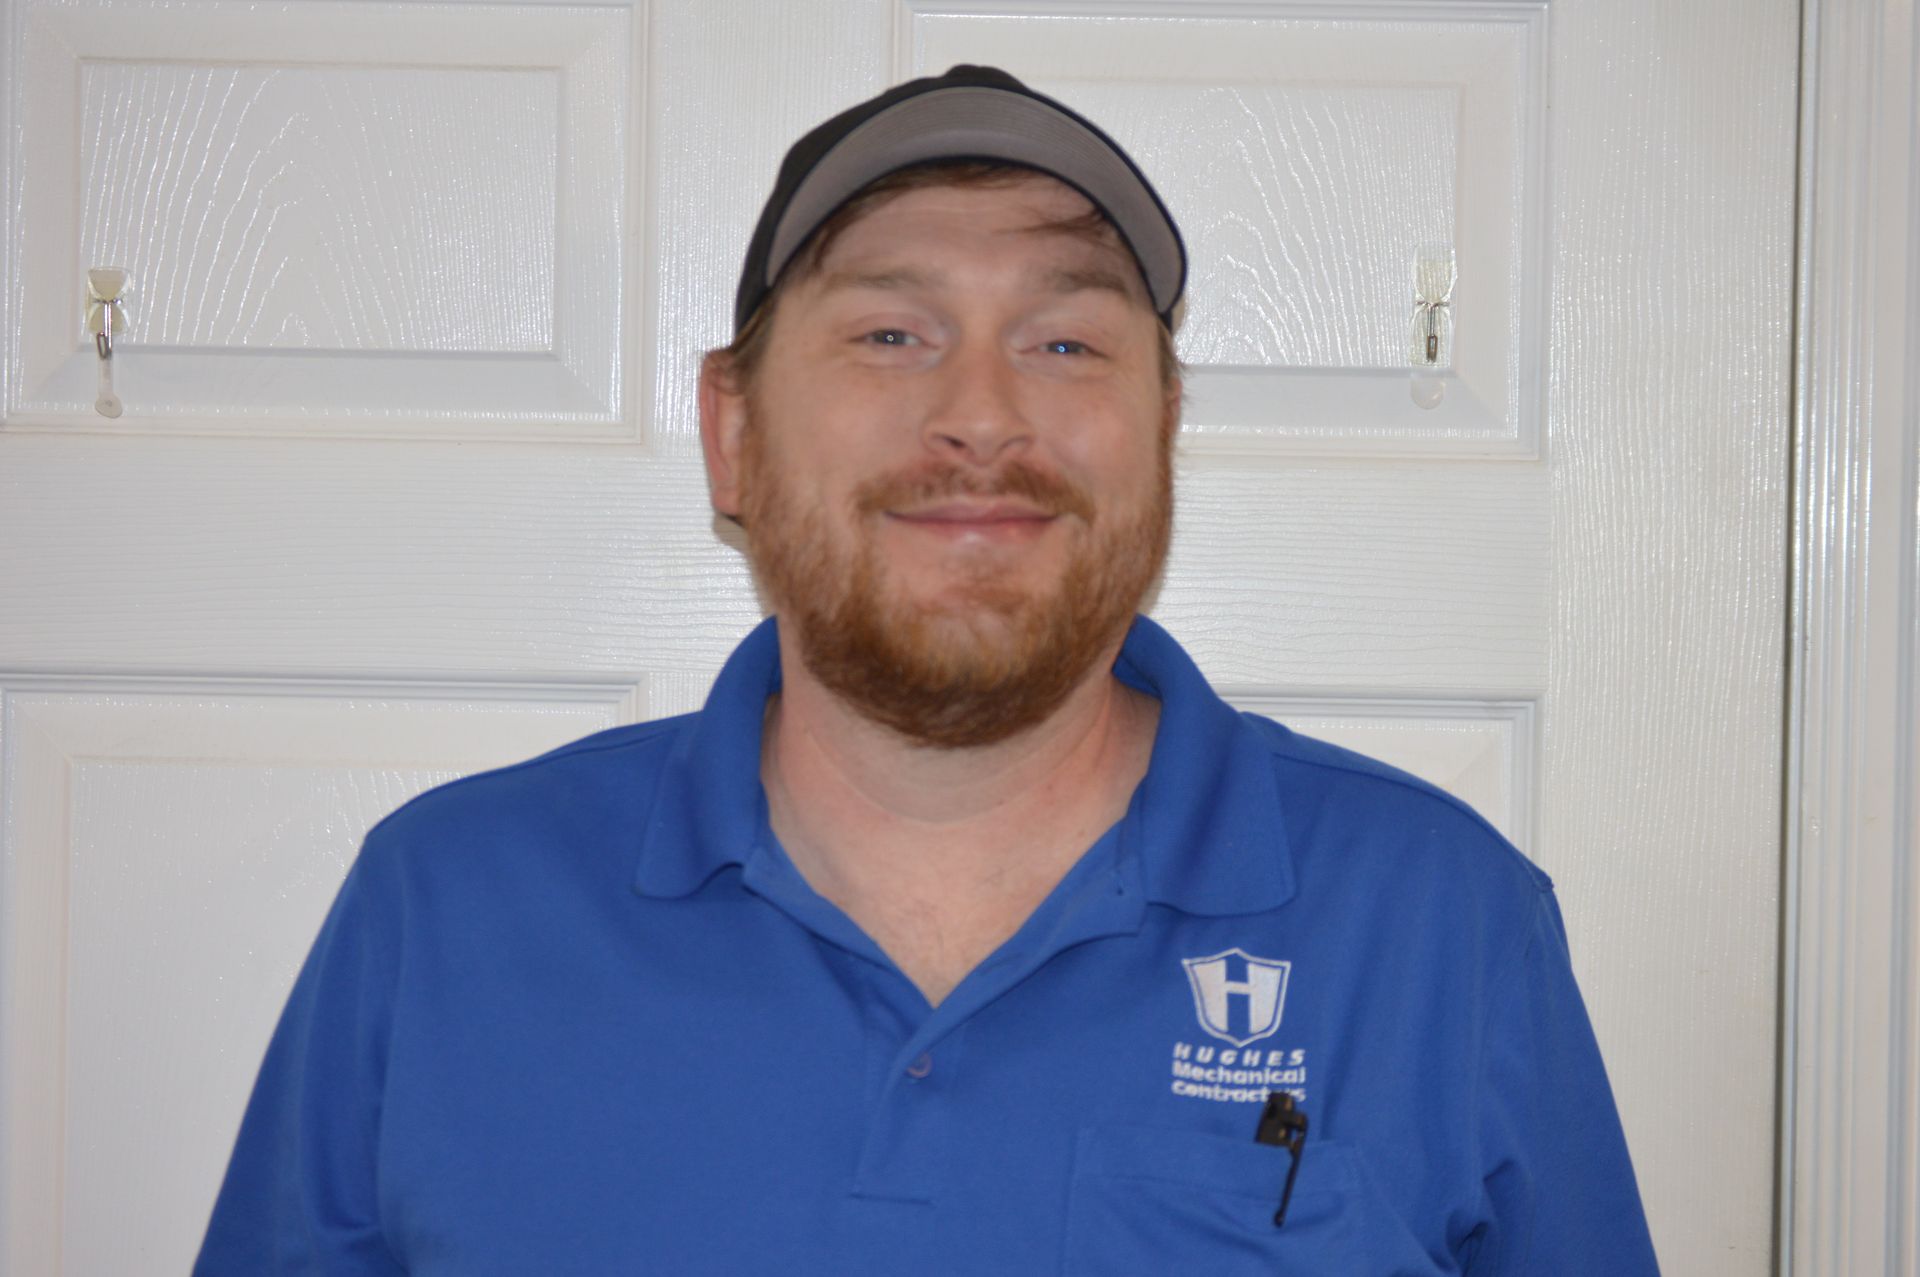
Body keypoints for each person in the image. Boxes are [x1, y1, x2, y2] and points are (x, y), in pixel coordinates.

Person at [195, 65, 1660, 1274]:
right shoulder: (445, 905)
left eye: (1068, 338)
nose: (980, 413)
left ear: (1160, 430)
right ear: (734, 435)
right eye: (892, 331)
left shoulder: (1443, 928)